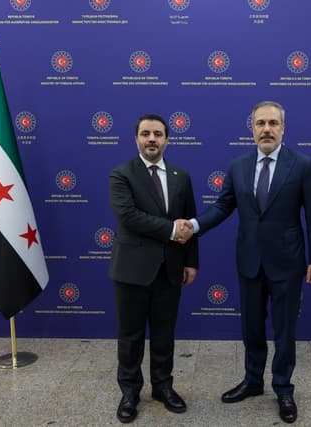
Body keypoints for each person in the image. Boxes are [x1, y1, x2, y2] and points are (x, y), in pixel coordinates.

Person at [184, 100, 311, 423]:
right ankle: (252, 381)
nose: (266, 129)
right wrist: (193, 225)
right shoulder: (238, 166)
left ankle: (283, 387)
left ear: (283, 128)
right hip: (249, 261)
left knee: (285, 329)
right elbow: (223, 206)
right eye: (260, 123)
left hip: (287, 262)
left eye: (273, 123)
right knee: (251, 327)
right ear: (252, 129)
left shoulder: (303, 165)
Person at [108, 114, 198, 423]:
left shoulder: (181, 176)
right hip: (131, 271)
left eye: (158, 134)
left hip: (170, 270)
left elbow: (190, 221)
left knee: (164, 334)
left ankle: (163, 387)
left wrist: (191, 261)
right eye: (145, 133)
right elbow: (128, 216)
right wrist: (172, 229)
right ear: (136, 138)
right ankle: (130, 392)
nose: (151, 139)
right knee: (130, 336)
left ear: (167, 139)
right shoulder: (121, 174)